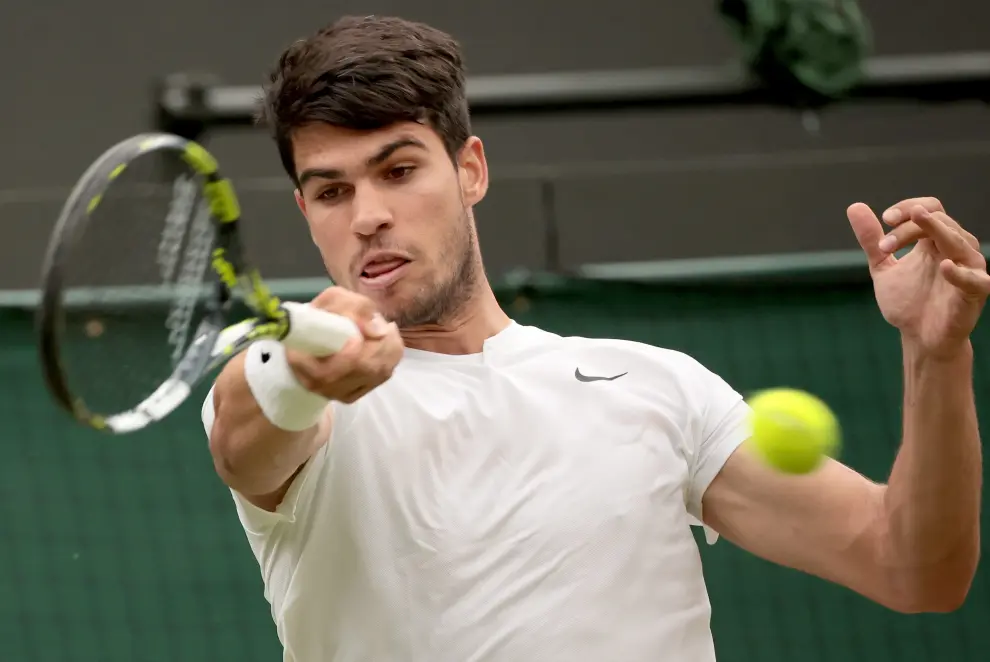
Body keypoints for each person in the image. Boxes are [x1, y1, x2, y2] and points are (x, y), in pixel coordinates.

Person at [201, 14, 988, 662]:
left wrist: (934, 355)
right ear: (306, 213)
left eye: (399, 170)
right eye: (332, 191)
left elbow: (916, 569)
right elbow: (247, 435)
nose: (368, 214)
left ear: (470, 169)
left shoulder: (656, 387)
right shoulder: (300, 398)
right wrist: (304, 370)